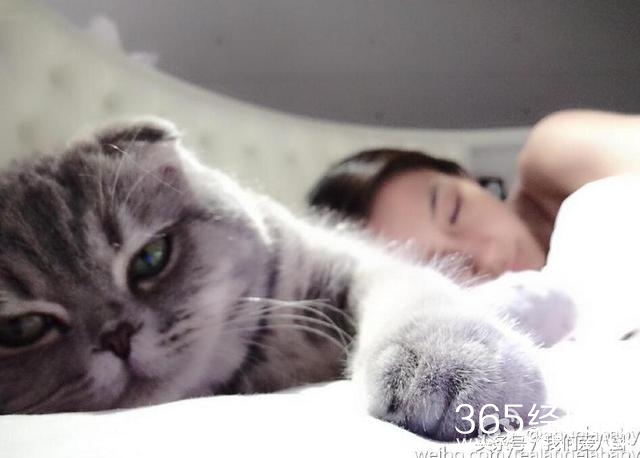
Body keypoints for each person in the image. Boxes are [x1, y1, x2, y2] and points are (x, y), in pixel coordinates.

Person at [308, 110, 640, 279]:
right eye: (442, 270)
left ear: (465, 177)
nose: (487, 257)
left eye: (454, 211)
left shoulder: (550, 153)